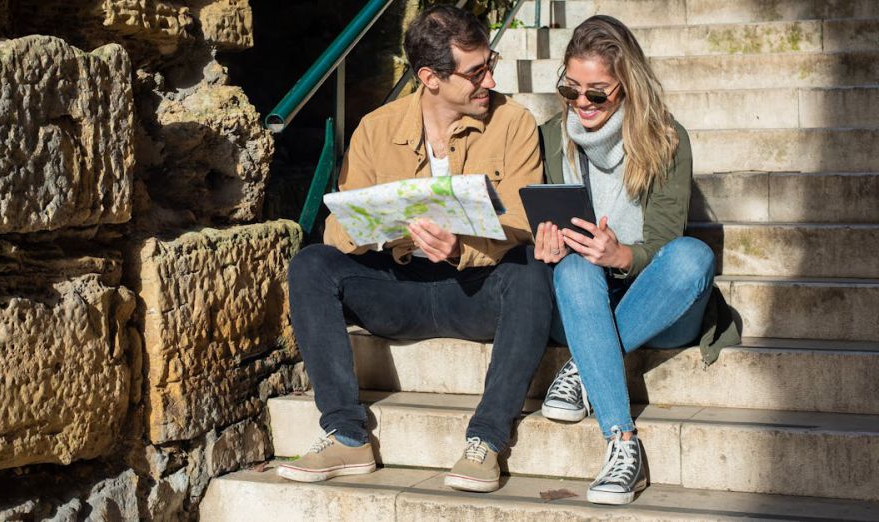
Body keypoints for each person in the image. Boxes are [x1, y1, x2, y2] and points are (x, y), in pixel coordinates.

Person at [279, 5, 553, 493]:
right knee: (311, 265)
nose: (489, 79)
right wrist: (390, 226)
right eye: (475, 72)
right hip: (399, 287)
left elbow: (524, 222)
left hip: (475, 291)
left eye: (489, 63)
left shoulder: (514, 122)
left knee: (531, 270)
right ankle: (345, 434)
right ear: (430, 77)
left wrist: (460, 247)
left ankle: (486, 441)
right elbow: (338, 230)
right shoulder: (376, 128)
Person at [532, 15, 739, 505]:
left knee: (693, 257)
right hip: (581, 301)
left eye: (597, 93)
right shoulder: (548, 139)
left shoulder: (665, 139)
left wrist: (621, 254)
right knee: (577, 266)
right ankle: (623, 444)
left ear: (627, 86)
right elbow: (528, 226)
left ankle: (585, 365)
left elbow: (668, 241)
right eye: (570, 89)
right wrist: (542, 245)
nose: (581, 103)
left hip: (656, 303)